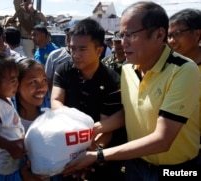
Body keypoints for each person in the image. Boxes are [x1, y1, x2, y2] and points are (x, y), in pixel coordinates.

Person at [61, 2, 201, 181]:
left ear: (159, 34)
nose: (122, 42)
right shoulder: (128, 69)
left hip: (176, 170)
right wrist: (91, 131)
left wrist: (98, 155)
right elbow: (130, 112)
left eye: (130, 35)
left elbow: (163, 139)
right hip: (135, 165)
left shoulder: (183, 70)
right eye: (121, 35)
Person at [51, 18, 126, 181]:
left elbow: (107, 128)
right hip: (65, 144)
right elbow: (56, 101)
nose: (75, 54)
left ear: (99, 50)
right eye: (72, 48)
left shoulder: (112, 81)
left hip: (97, 151)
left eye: (82, 49)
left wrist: (92, 154)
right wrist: (78, 125)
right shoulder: (64, 70)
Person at [0, 57, 49, 181]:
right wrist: (19, 177)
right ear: (17, 84)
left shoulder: (51, 118)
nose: (41, 87)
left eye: (44, 80)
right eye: (33, 82)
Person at [168, 8, 201, 166]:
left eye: (178, 34)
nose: (172, 41)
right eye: (169, 35)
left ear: (197, 34)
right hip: (174, 148)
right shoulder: (166, 67)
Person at [45, 27, 72, 91]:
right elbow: (48, 79)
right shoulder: (54, 55)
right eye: (67, 35)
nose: (68, 37)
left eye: (72, 35)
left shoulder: (85, 56)